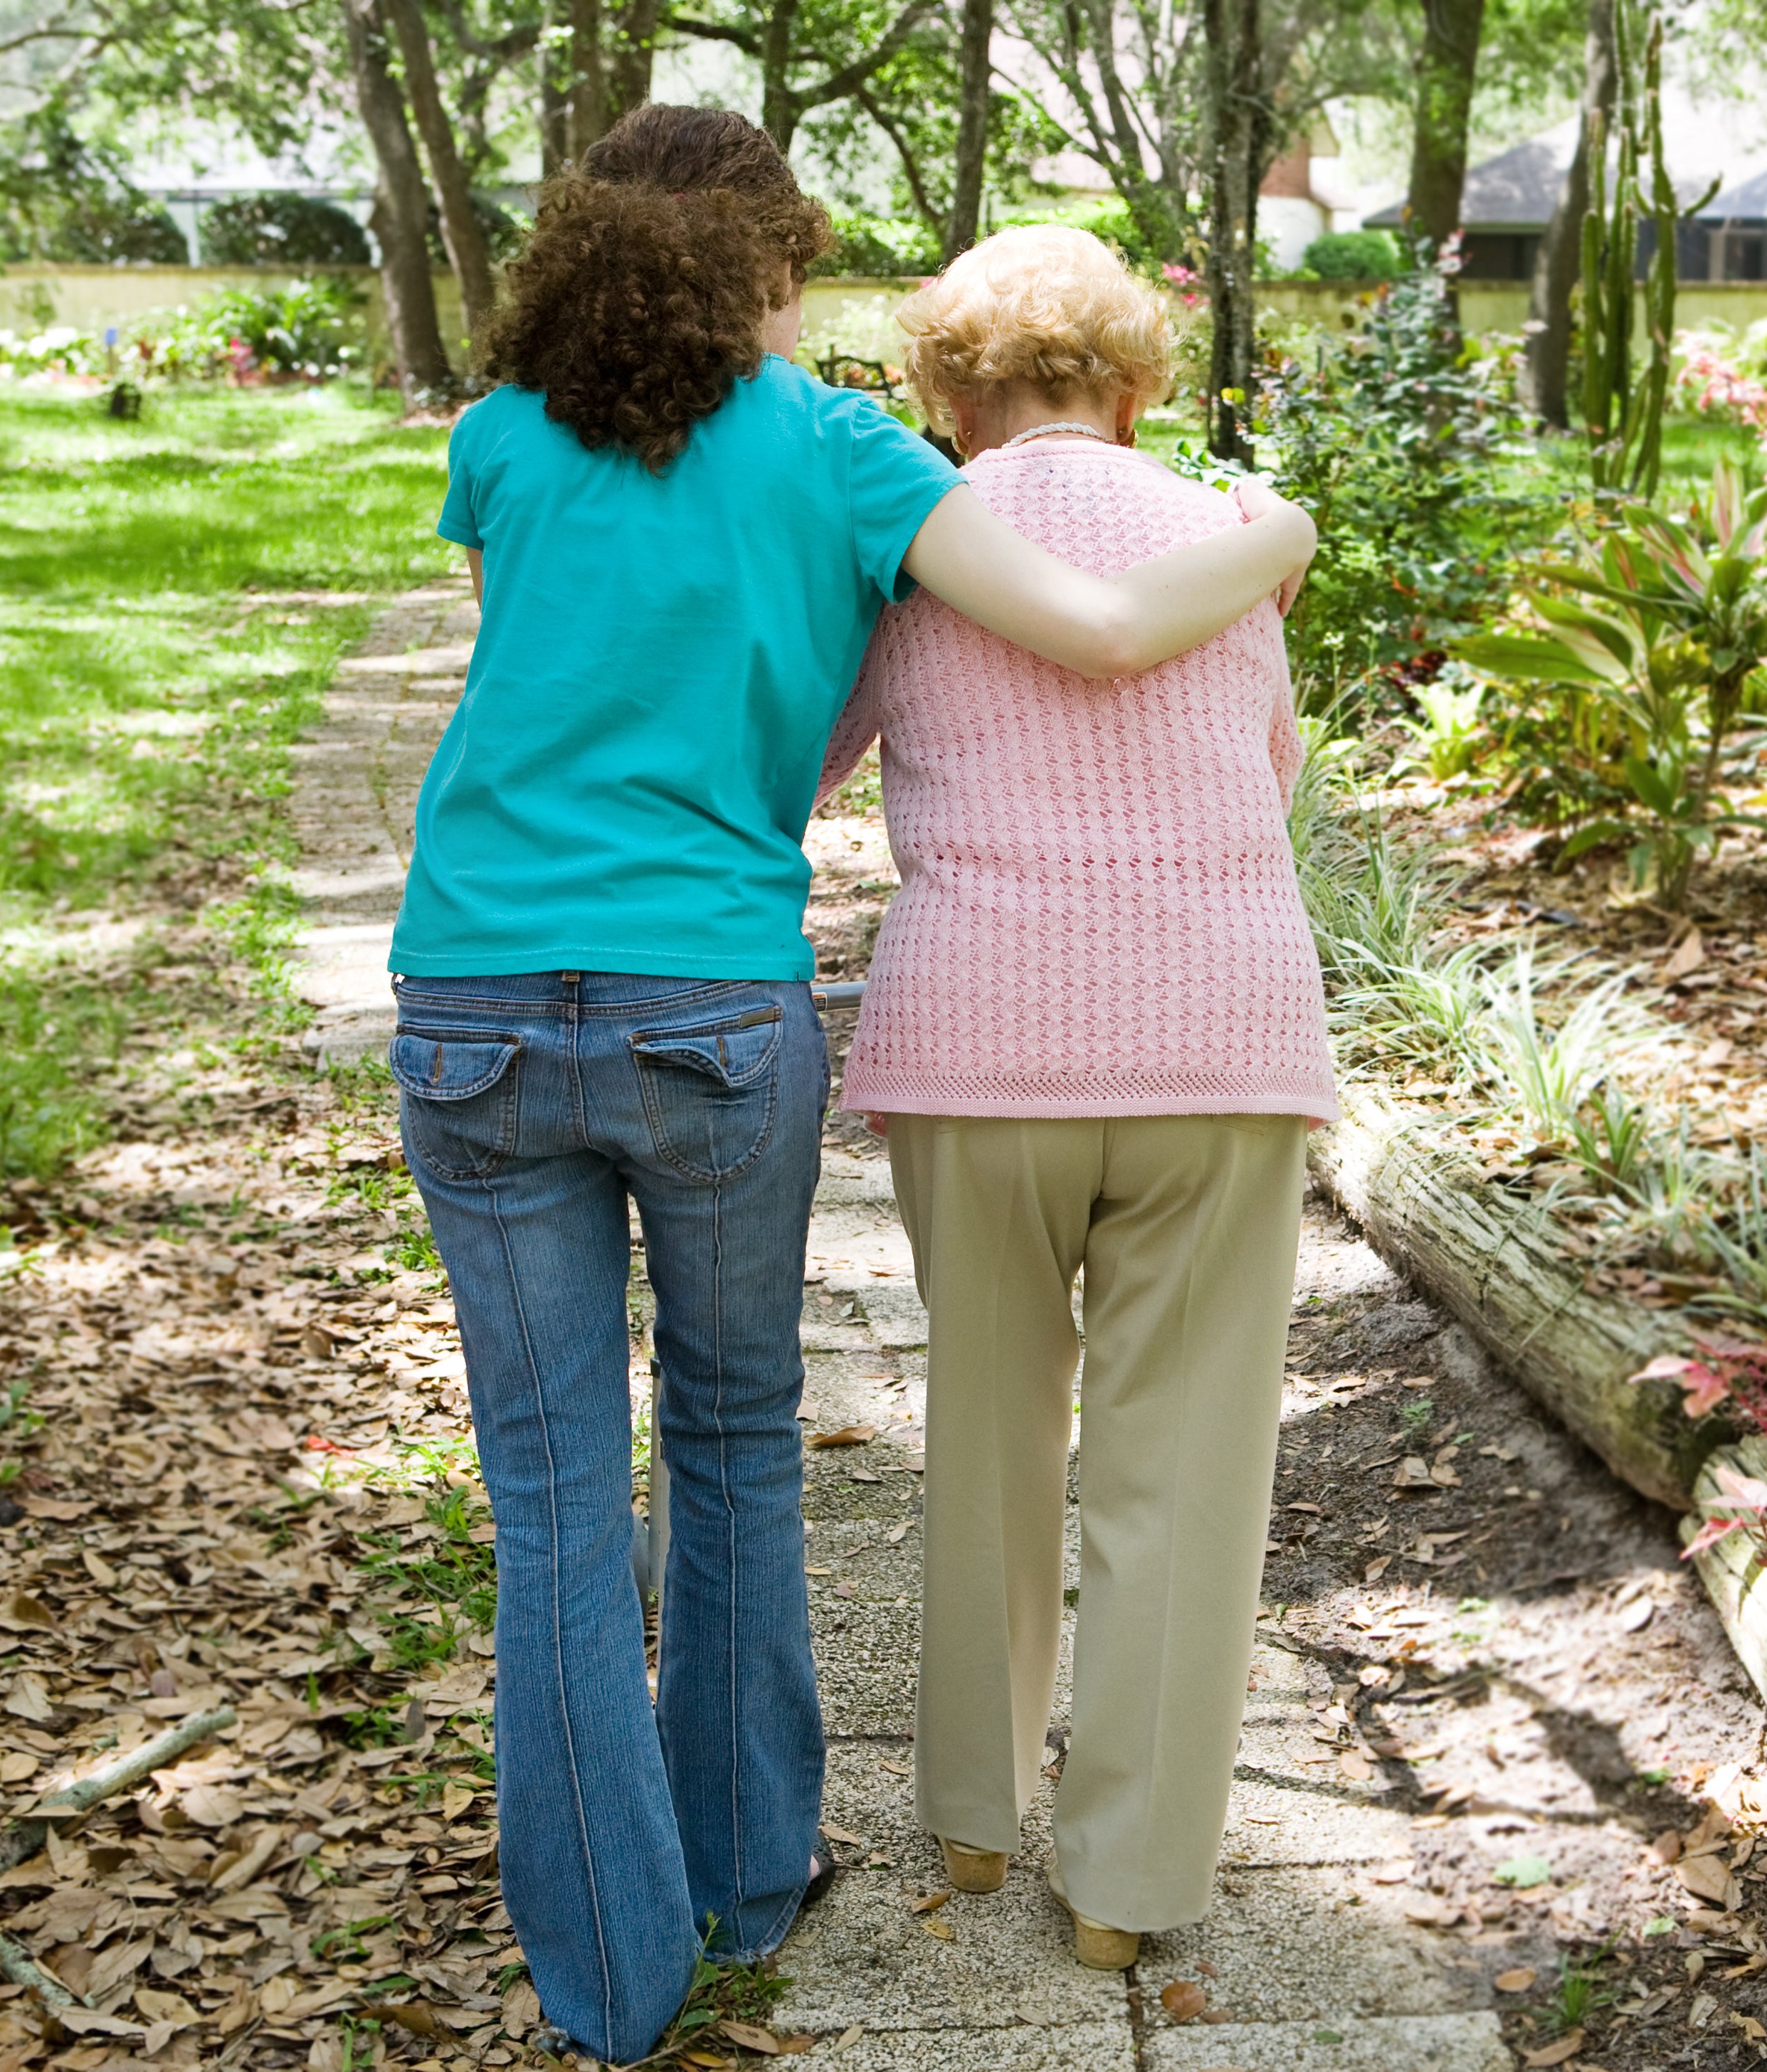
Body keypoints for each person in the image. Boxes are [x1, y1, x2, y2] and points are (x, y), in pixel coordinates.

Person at [387, 112, 1317, 2065]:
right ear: (768, 270)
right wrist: (1280, 534)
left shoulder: (504, 440)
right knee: (739, 1442)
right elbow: (1155, 681)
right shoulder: (843, 460)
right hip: (759, 1004)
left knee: (556, 1498)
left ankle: (631, 1977)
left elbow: (581, 680)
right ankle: (820, 1884)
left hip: (488, 981)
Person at [816, 226, 1338, 1971]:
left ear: (944, 397)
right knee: (1180, 1471)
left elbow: (803, 761)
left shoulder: (911, 551)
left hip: (980, 1046)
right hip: (1221, 1041)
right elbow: (1265, 773)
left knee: (984, 1424)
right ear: (1131, 388)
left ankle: (971, 1819)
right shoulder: (1229, 540)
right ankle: (1123, 1889)